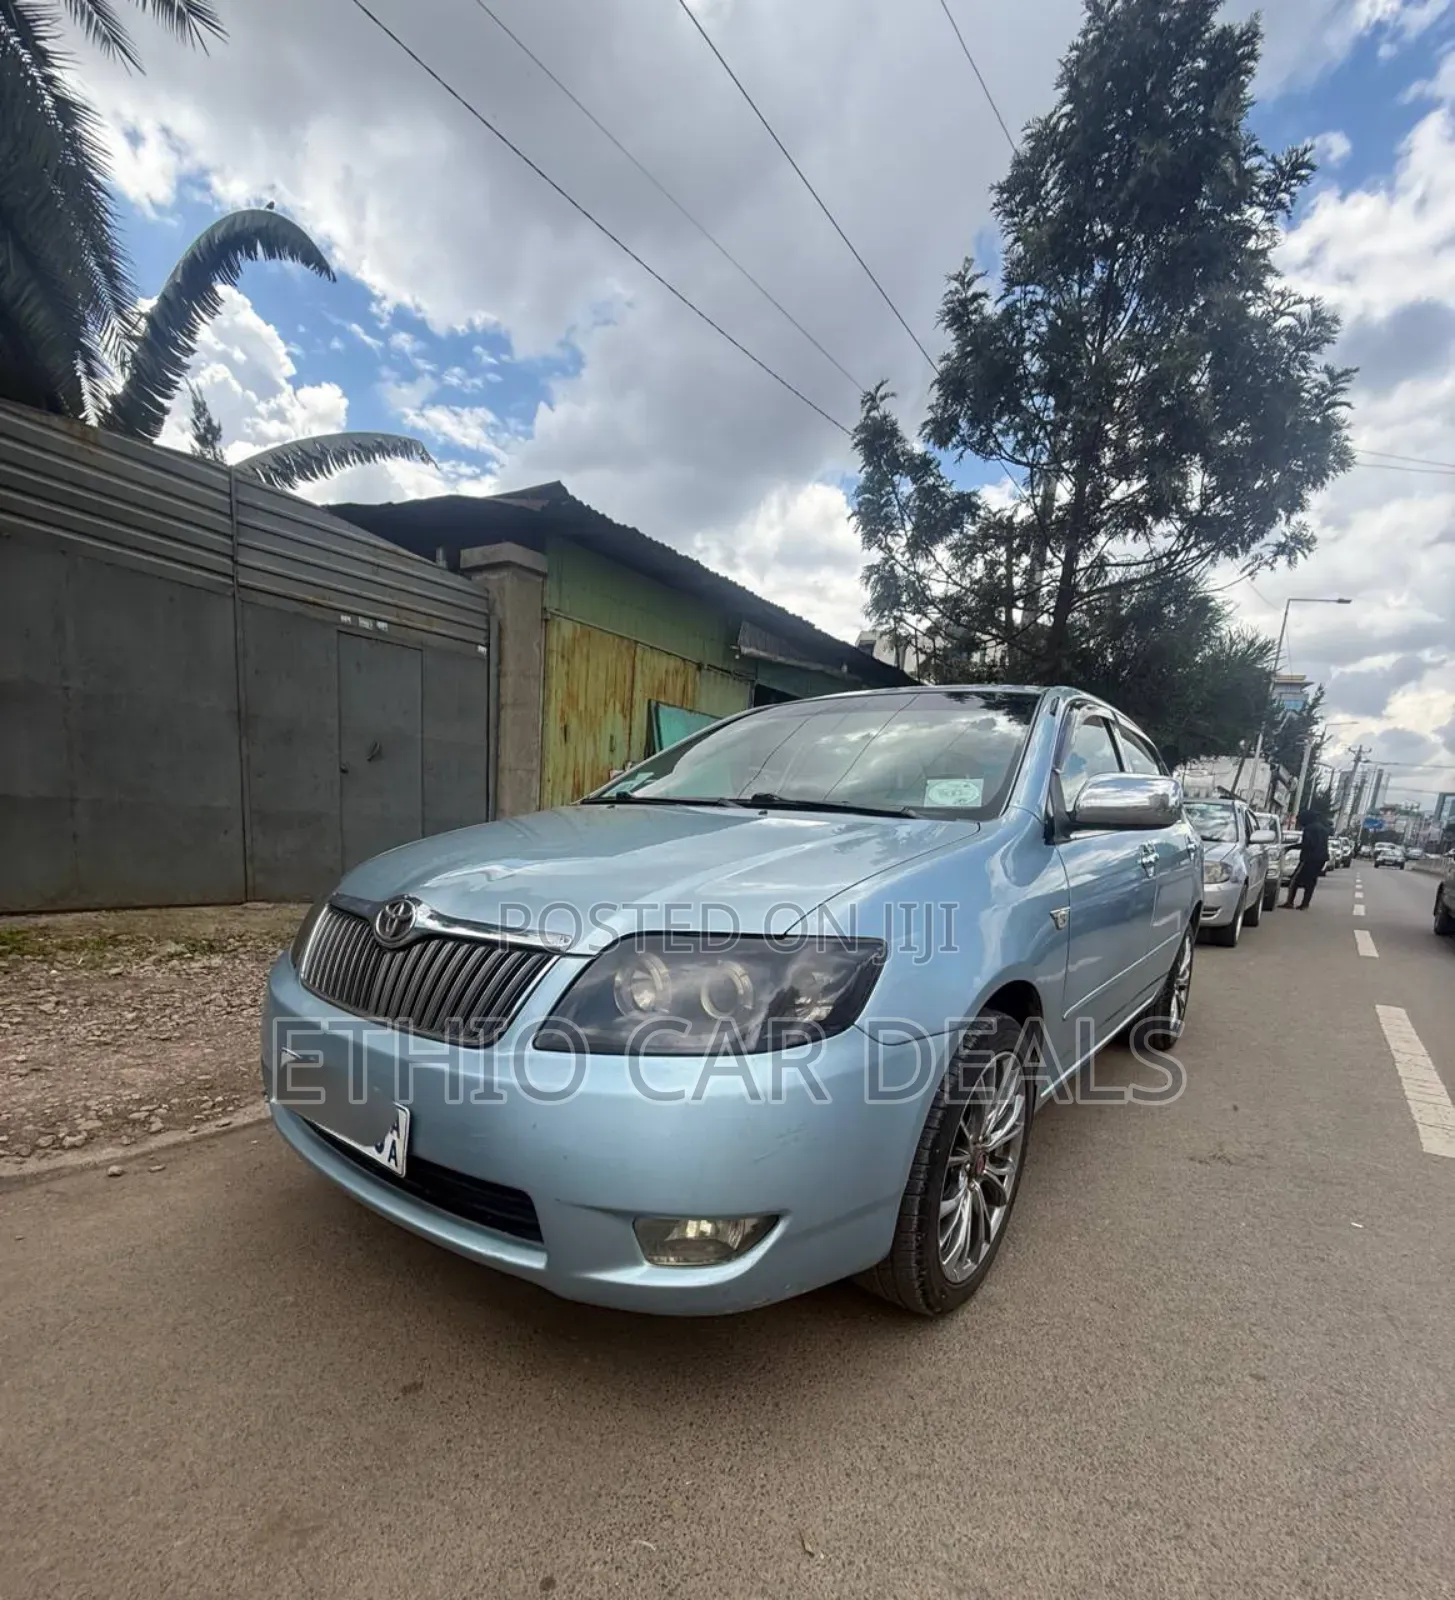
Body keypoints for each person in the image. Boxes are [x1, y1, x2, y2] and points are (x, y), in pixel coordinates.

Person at [1285, 810, 1330, 908]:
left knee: (1295, 880)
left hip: (1309, 858)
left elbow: (1308, 844)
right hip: (1321, 859)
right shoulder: (1324, 829)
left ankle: (1290, 902)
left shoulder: (1309, 828)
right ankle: (1305, 904)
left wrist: (1290, 847)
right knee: (1311, 881)